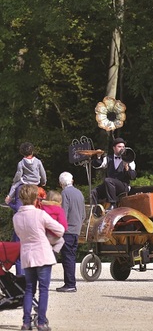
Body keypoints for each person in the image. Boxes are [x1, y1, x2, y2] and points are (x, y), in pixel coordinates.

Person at [13, 184, 64, 331]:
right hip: (42, 254)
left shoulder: (16, 217)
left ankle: (26, 322)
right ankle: (41, 323)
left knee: (29, 289)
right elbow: (60, 230)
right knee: (43, 290)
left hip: (27, 255)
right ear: (36, 199)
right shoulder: (40, 214)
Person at [5, 142, 47, 276]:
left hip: (24, 183)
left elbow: (18, 175)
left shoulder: (21, 163)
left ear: (22, 153)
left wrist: (14, 183)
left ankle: (7, 199)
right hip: (35, 184)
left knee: (14, 187)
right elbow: (43, 173)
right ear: (33, 151)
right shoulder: (38, 161)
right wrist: (43, 181)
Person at [56, 172, 86, 293]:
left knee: (67, 258)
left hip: (67, 230)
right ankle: (70, 283)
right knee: (71, 257)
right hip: (76, 230)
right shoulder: (79, 193)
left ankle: (70, 284)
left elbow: (64, 213)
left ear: (61, 183)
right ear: (72, 181)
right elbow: (83, 214)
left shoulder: (64, 193)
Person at [91, 138, 137, 210]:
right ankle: (95, 211)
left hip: (123, 186)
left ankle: (113, 204)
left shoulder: (129, 159)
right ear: (114, 148)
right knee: (94, 192)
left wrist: (127, 167)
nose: (122, 149)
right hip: (109, 185)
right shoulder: (108, 158)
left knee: (108, 180)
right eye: (119, 147)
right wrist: (98, 156)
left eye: (123, 147)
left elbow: (133, 176)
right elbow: (97, 165)